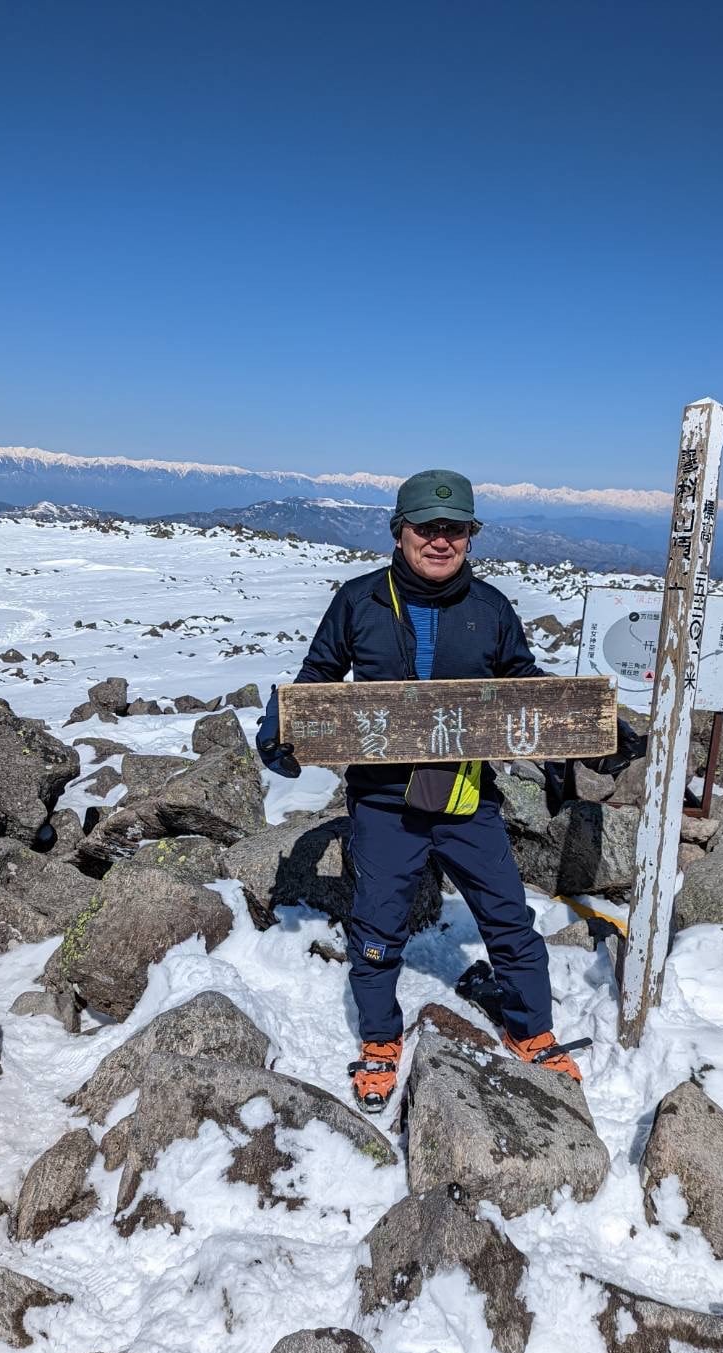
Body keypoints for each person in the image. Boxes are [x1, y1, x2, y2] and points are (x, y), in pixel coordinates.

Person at [257, 468, 601, 1114]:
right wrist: (284, 720)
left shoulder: (490, 608)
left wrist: (581, 722)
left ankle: (531, 1030)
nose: (441, 541)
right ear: (400, 532)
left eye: (456, 529)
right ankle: (381, 1040)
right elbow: (320, 674)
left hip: (468, 798)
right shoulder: (359, 601)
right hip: (384, 799)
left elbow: (521, 683)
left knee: (508, 919)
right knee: (377, 927)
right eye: (427, 528)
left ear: (470, 537)